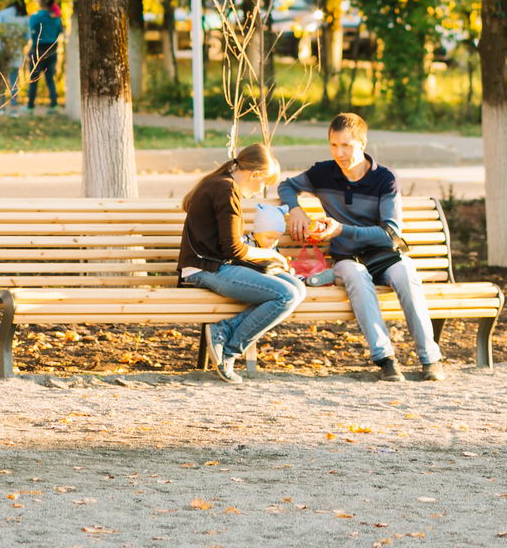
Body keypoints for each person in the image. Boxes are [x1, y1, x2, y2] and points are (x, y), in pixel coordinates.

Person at [279, 112, 447, 381]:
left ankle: (430, 358)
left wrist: (342, 229)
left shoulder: (385, 179)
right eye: (334, 145)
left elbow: (390, 233)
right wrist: (296, 210)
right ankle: (386, 360)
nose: (339, 152)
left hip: (385, 255)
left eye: (346, 145)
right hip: (348, 258)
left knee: (407, 276)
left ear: (362, 143)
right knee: (357, 277)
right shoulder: (323, 172)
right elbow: (286, 186)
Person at [178, 143, 307, 383]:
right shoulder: (225, 190)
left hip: (220, 264)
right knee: (285, 296)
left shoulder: (223, 184)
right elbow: (234, 249)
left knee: (297, 288)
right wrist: (272, 256)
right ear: (255, 174)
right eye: (264, 183)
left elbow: (230, 246)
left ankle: (225, 329)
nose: (261, 190)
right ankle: (230, 350)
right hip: (205, 269)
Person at [25, 0, 65, 112]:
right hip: (52, 50)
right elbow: (60, 32)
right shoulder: (57, 18)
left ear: (42, 1)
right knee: (50, 79)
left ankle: (30, 106)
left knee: (33, 79)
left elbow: (30, 33)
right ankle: (54, 104)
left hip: (38, 50)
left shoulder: (35, 17)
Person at [0, 0, 30, 110]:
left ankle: (1, 108)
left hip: (2, 50)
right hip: (17, 51)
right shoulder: (25, 17)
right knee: (14, 81)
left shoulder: (3, 14)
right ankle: (14, 108)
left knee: (2, 79)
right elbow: (27, 37)